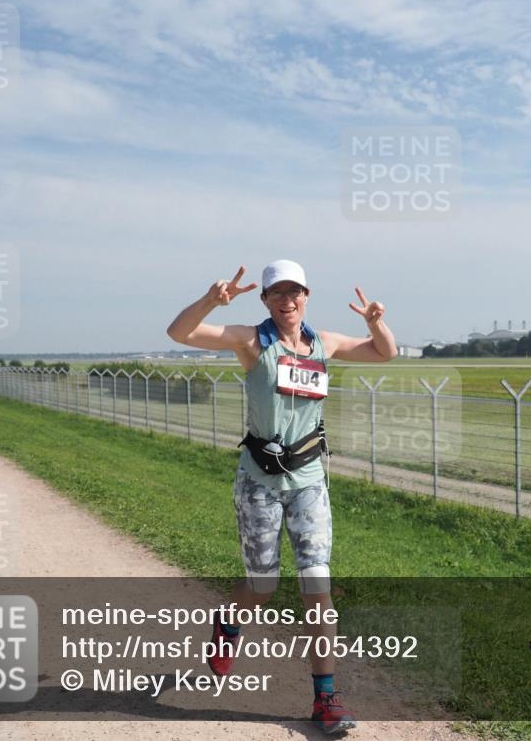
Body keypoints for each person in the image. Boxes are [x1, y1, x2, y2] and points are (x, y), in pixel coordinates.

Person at [167, 261, 396, 734]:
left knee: (318, 587)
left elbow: (384, 353)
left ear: (307, 296)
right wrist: (212, 299)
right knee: (263, 587)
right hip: (260, 482)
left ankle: (326, 700)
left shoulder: (324, 344)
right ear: (266, 300)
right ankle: (229, 624)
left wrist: (375, 322)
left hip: (309, 480)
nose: (287, 300)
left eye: (295, 292)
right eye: (278, 294)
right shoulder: (251, 341)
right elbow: (180, 333)